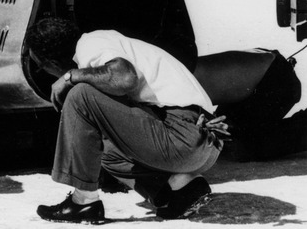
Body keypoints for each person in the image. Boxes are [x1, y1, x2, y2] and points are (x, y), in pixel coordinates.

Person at [24, 17, 229, 223]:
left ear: (50, 62)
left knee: (80, 94)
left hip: (183, 136)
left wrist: (70, 76)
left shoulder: (90, 43)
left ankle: (83, 203)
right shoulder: (108, 44)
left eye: (42, 66)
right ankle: (180, 188)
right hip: (203, 143)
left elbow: (125, 78)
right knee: (110, 154)